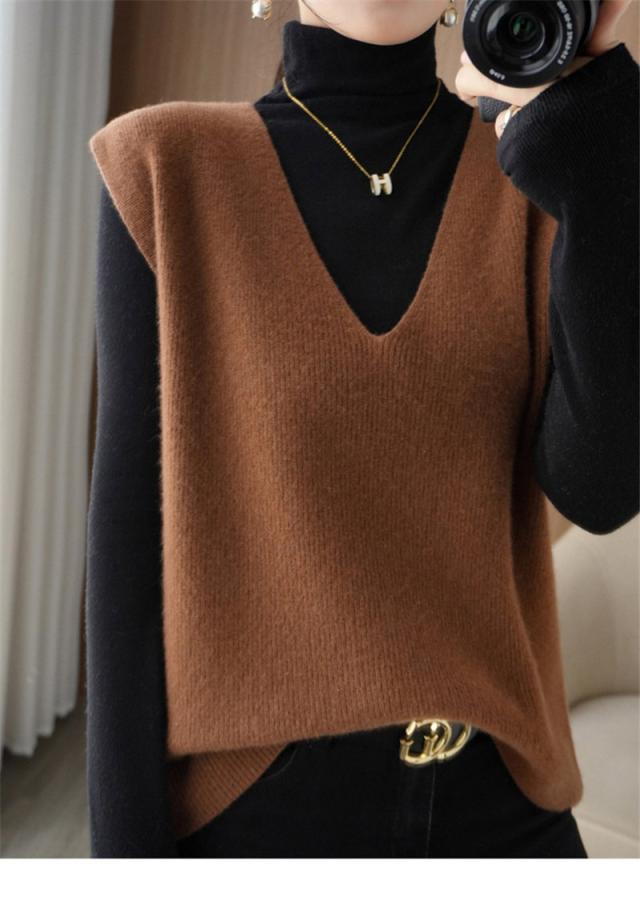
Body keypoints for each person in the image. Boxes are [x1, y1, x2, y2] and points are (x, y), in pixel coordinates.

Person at [86, 0, 639, 858]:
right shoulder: (166, 165)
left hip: (502, 804)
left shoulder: (538, 164)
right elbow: (127, 552)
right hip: (259, 818)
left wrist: (601, 144)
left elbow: (599, 490)